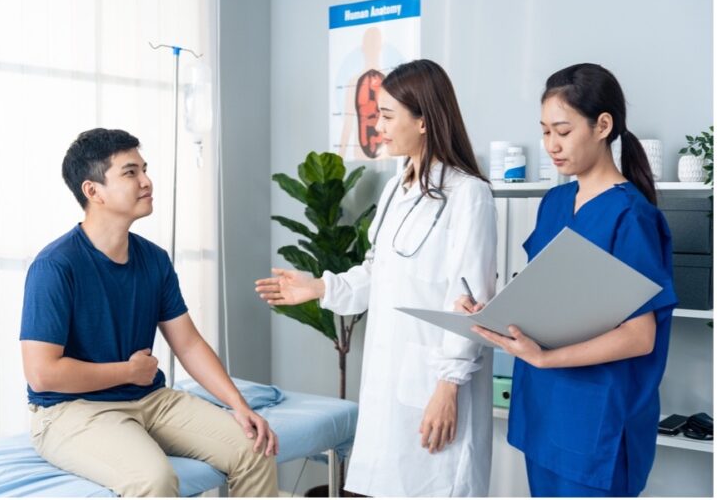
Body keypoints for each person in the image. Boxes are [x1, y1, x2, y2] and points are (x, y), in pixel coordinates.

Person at [256, 59, 497, 497]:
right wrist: (319, 287)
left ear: (423, 120)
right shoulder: (396, 189)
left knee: (438, 485)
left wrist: (447, 389)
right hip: (390, 378)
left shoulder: (469, 194)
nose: (377, 125)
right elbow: (377, 272)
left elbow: (470, 301)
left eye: (387, 116)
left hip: (438, 384)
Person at [20, 128, 278, 497]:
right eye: (130, 173)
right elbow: (43, 374)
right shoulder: (56, 266)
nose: (146, 181)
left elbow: (187, 344)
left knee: (255, 448)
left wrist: (238, 405)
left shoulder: (153, 259)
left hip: (150, 400)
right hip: (70, 411)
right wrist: (128, 371)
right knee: (154, 479)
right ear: (93, 191)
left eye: (144, 169)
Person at [460, 63, 678, 497]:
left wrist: (543, 358)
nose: (551, 146)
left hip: (597, 420)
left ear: (602, 125)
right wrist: (495, 314)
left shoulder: (631, 217)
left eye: (562, 131)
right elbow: (545, 297)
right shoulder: (555, 201)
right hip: (543, 409)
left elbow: (640, 337)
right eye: (544, 132)